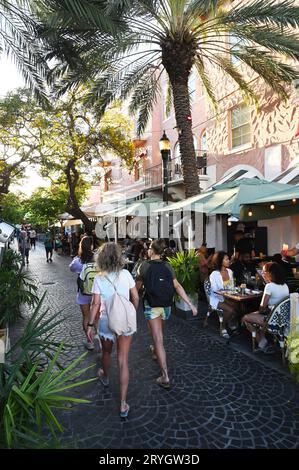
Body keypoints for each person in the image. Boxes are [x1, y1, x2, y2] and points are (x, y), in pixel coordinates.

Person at [86, 242, 139, 418]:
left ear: (101, 258)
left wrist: (90, 325)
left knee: (107, 353)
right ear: (118, 257)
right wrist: (131, 311)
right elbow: (135, 297)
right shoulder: (126, 274)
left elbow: (95, 304)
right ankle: (123, 404)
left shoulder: (99, 278)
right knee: (123, 360)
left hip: (106, 321)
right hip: (124, 321)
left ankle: (105, 375)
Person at [136, 238, 197, 389]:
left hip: (152, 306)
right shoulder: (168, 266)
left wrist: (131, 306)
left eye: (149, 248)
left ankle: (165, 376)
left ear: (152, 251)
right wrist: (190, 304)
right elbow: (177, 286)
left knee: (158, 339)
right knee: (159, 334)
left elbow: (136, 289)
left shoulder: (143, 266)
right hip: (166, 307)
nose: (148, 250)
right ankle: (156, 352)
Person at [242, 262, 289, 354]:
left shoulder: (269, 286)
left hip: (273, 321)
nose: (262, 274)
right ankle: (264, 340)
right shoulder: (285, 285)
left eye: (264, 272)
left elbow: (262, 308)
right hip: (283, 319)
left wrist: (258, 312)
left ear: (270, 273)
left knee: (245, 318)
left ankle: (262, 343)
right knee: (256, 315)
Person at [69, 236, 100, 350]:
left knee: (86, 316)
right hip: (97, 293)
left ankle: (90, 341)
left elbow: (71, 268)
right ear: (92, 246)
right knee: (97, 316)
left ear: (81, 246)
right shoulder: (98, 258)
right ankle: (100, 339)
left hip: (83, 293)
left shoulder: (78, 261)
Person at [209, 251, 239, 338]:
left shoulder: (230, 271)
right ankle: (222, 326)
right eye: (226, 259)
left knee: (239, 306)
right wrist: (226, 297)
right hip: (217, 298)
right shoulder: (214, 274)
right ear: (220, 261)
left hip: (229, 297)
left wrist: (230, 296)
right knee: (230, 310)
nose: (229, 261)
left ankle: (231, 322)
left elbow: (232, 286)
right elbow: (215, 290)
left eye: (228, 259)